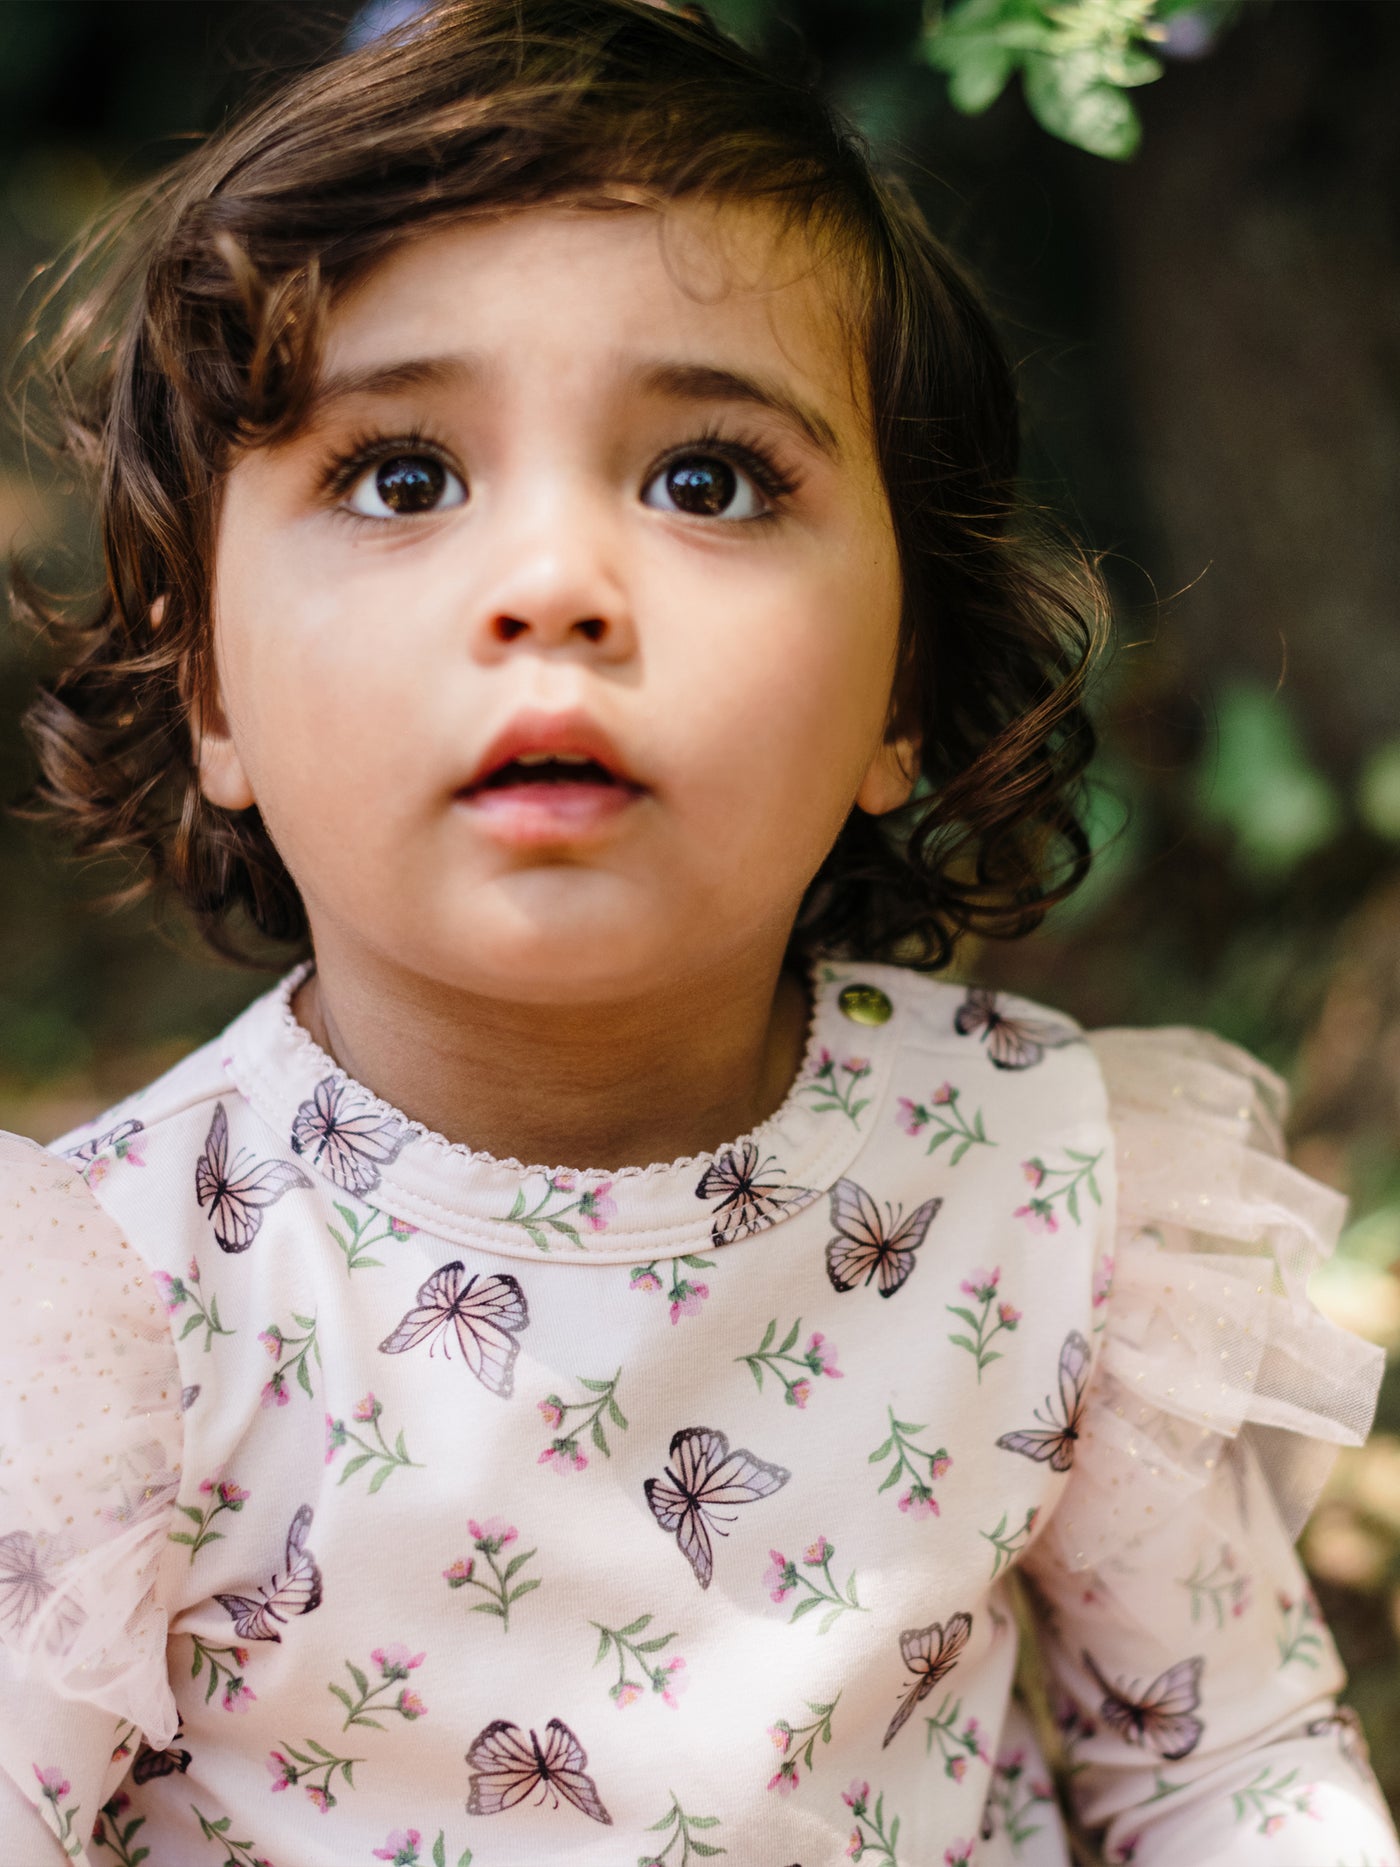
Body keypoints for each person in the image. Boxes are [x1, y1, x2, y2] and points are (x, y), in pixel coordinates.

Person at [0, 2, 1394, 1862]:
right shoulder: (104, 1326)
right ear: (211, 694)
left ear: (903, 686)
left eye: (706, 479)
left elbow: (1217, 1768)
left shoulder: (1053, 1193)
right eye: (403, 476)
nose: (558, 587)